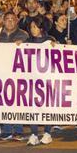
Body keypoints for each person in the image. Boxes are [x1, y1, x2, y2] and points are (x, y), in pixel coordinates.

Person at [0, 11, 29, 140]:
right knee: (5, 100)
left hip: (18, 73)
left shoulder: (23, 35)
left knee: (17, 101)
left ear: (17, 20)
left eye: (12, 19)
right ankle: (7, 130)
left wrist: (22, 45)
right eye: (7, 19)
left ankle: (18, 130)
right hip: (2, 72)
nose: (10, 21)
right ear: (3, 20)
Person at [25, 18, 54, 146]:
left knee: (47, 106)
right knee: (33, 107)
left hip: (47, 80)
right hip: (32, 80)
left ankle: (47, 133)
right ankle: (34, 134)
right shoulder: (28, 42)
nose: (32, 30)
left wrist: (57, 46)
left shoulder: (50, 40)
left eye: (35, 27)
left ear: (41, 28)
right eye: (31, 27)